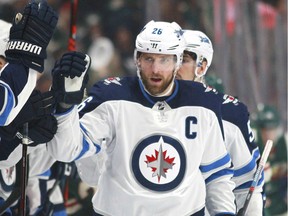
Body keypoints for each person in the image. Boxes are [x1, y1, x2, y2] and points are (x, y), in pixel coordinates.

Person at [47, 20, 236, 216]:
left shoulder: (203, 102)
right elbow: (65, 150)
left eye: (164, 60)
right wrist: (64, 108)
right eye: (149, 59)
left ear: (177, 61)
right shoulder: (110, 97)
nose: (155, 69)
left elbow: (217, 175)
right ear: (137, 59)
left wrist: (224, 213)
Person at [177, 29, 264, 215]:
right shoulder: (142, 107)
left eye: (182, 60)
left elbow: (248, 182)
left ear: (201, 67)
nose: (172, 67)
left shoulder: (229, 113)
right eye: (169, 58)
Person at [252, 104, 287, 216]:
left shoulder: (285, 144)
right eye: (264, 129)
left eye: (271, 129)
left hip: (283, 204)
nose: (268, 133)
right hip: (260, 206)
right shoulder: (252, 148)